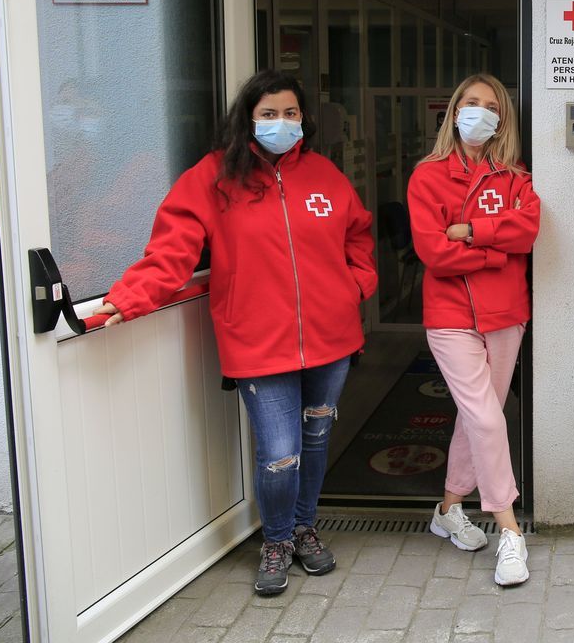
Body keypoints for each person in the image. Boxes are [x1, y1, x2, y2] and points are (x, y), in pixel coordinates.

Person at [94, 70, 377, 596]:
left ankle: (303, 527)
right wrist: (129, 298)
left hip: (331, 339)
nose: (281, 123)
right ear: (247, 117)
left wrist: (355, 285)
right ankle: (274, 540)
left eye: (290, 113)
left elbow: (357, 235)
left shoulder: (324, 175)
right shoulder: (213, 177)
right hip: (255, 343)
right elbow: (171, 250)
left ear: (304, 119)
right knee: (279, 451)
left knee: (315, 440)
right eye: (269, 113)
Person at [408, 73, 540, 587]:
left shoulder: (514, 176)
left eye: (490, 105)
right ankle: (509, 529)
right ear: (453, 110)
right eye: (470, 102)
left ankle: (447, 509)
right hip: (450, 317)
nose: (479, 112)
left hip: (506, 314)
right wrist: (495, 249)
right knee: (487, 418)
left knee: (474, 415)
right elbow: (433, 253)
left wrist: (471, 232)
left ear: (501, 119)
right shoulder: (428, 176)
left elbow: (527, 231)